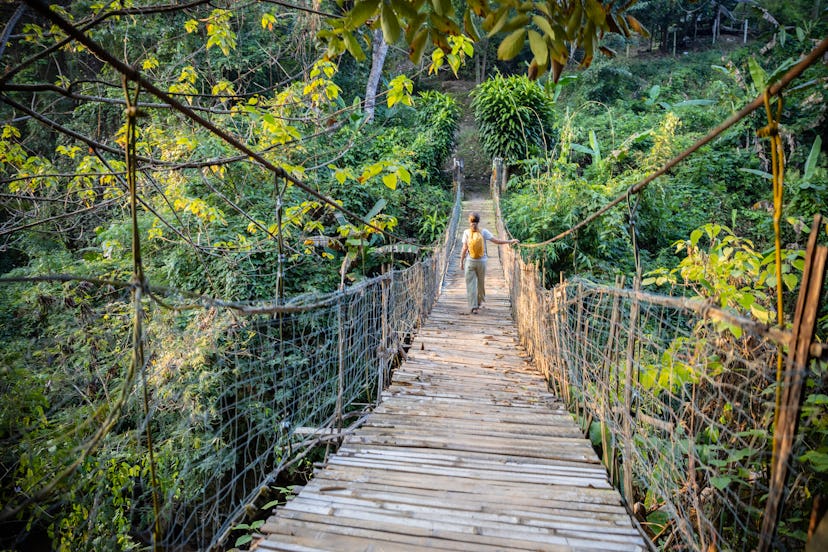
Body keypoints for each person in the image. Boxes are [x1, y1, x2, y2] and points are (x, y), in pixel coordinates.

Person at [459, 212, 518, 314]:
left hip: (470, 261)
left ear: (469, 221)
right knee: (480, 283)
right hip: (482, 261)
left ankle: (473, 306)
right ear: (479, 221)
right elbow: (497, 241)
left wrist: (461, 261)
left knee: (471, 284)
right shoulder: (484, 231)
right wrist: (510, 241)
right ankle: (478, 303)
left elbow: (464, 248)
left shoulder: (466, 232)